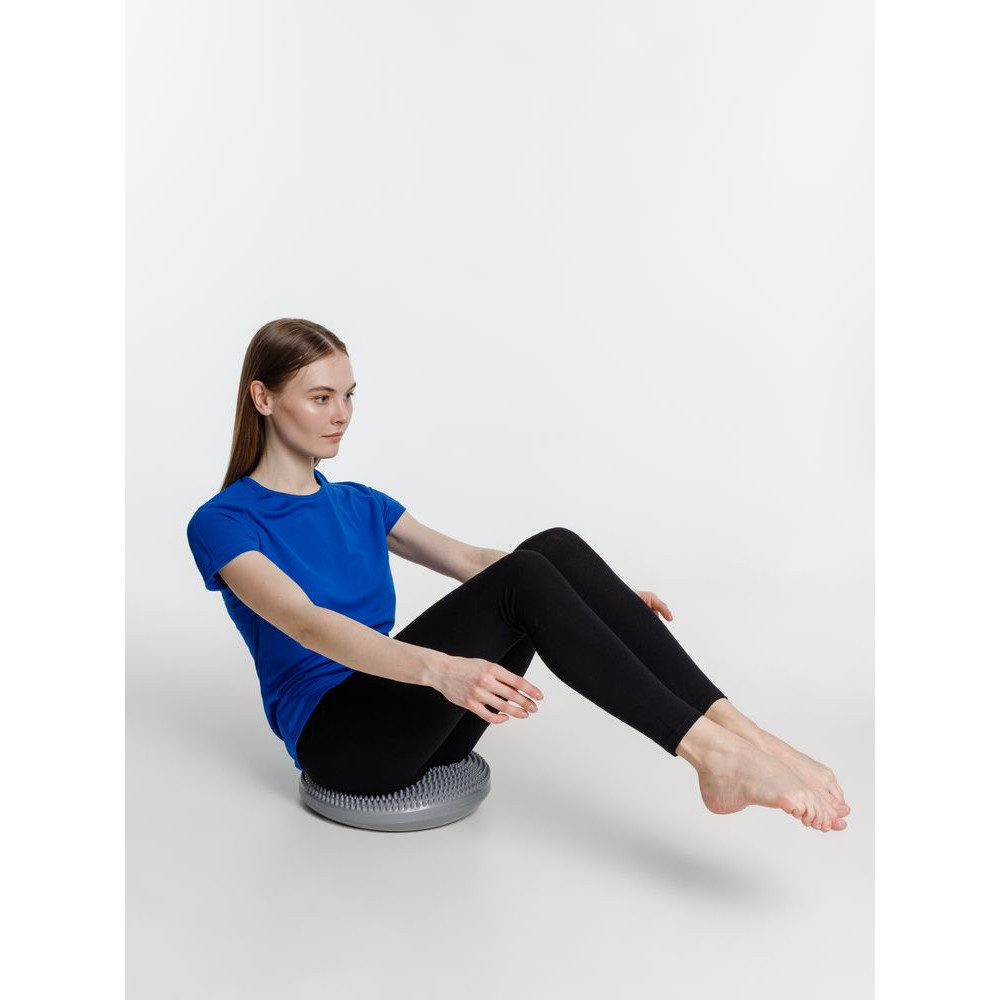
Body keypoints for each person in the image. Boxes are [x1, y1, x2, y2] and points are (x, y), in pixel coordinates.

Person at [187, 318, 851, 833]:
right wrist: (441, 671)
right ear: (263, 398)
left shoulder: (359, 502)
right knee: (528, 578)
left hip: (417, 725)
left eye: (349, 396)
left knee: (552, 551)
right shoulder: (224, 522)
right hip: (345, 743)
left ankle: (748, 737)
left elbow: (474, 563)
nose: (341, 414)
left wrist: (595, 602)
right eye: (321, 397)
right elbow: (305, 623)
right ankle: (714, 758)